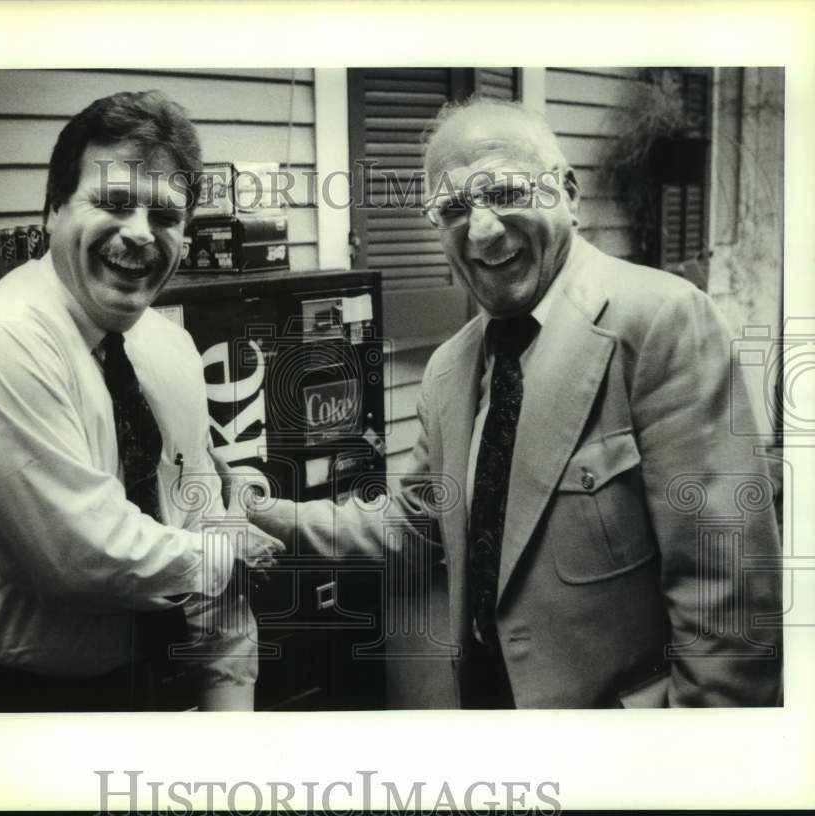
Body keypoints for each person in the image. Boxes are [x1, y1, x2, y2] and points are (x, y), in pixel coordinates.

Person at [243, 97, 782, 708]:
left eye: (503, 191)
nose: (481, 230)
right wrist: (268, 511)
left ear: (569, 193)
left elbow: (728, 595)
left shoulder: (662, 321)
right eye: (452, 208)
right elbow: (416, 523)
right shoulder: (450, 368)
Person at [0, 90, 283, 713]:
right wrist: (223, 553)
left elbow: (204, 519)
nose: (141, 235)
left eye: (166, 216)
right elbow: (74, 559)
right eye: (114, 202)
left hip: (125, 689)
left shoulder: (171, 349)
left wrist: (232, 704)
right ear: (53, 210)